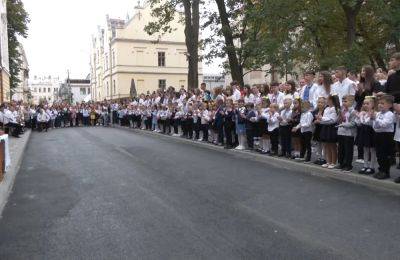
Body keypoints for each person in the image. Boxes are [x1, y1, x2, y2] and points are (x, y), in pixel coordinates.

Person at [372, 95, 396, 180]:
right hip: (378, 135)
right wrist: (375, 121)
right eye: (379, 103)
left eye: (382, 103)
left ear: (390, 105)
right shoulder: (378, 113)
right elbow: (375, 126)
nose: (380, 105)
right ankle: (381, 169)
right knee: (379, 154)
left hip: (386, 136)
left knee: (384, 154)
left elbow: (384, 124)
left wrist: (376, 120)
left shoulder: (390, 114)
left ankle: (386, 172)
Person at [317, 94, 340, 169]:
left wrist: (321, 118)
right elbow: (325, 119)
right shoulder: (326, 109)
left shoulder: (334, 109)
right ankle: (328, 161)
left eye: (328, 99)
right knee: (326, 145)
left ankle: (333, 162)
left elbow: (332, 120)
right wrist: (320, 119)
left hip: (332, 128)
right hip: (325, 127)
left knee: (332, 145)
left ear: (332, 101)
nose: (326, 101)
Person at [356, 96, 377, 175]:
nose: (365, 105)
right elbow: (359, 123)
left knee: (372, 150)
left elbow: (371, 123)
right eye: (364, 103)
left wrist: (369, 117)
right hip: (364, 131)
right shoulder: (363, 113)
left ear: (372, 105)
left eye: (367, 103)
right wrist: (359, 116)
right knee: (365, 149)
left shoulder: (374, 113)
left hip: (371, 131)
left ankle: (372, 167)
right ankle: (365, 165)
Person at [336, 95, 357, 171]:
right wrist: (339, 115)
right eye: (343, 101)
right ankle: (341, 163)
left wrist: (343, 125)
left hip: (349, 133)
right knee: (341, 149)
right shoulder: (342, 110)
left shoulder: (353, 111)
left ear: (351, 102)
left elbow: (353, 123)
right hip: (341, 132)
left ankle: (348, 165)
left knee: (348, 150)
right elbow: (338, 121)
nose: (344, 103)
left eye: (345, 101)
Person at [313, 97, 326, 165]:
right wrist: (314, 121)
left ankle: (324, 158)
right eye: (319, 102)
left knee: (323, 144)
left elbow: (326, 119)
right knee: (318, 143)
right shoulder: (316, 111)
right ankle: (319, 157)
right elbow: (313, 119)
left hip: (323, 128)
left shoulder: (326, 111)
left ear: (325, 103)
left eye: (321, 102)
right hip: (317, 128)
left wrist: (319, 121)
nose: (320, 104)